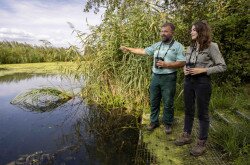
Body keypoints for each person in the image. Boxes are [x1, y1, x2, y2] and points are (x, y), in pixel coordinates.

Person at [120, 22, 185, 134]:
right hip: (155, 77)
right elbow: (143, 51)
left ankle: (168, 123)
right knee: (154, 101)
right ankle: (154, 121)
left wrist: (167, 65)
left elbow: (182, 62)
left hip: (169, 78)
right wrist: (129, 49)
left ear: (172, 33)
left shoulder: (178, 46)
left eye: (166, 31)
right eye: (161, 31)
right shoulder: (157, 45)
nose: (162, 33)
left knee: (168, 102)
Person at [174, 20, 227, 156]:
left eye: (193, 30)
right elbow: (187, 63)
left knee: (202, 113)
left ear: (201, 31)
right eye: (191, 30)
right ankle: (186, 136)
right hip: (188, 81)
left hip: (202, 82)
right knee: (188, 109)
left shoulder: (212, 46)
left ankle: (201, 143)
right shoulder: (190, 47)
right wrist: (185, 69)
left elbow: (222, 66)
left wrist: (202, 70)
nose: (191, 32)